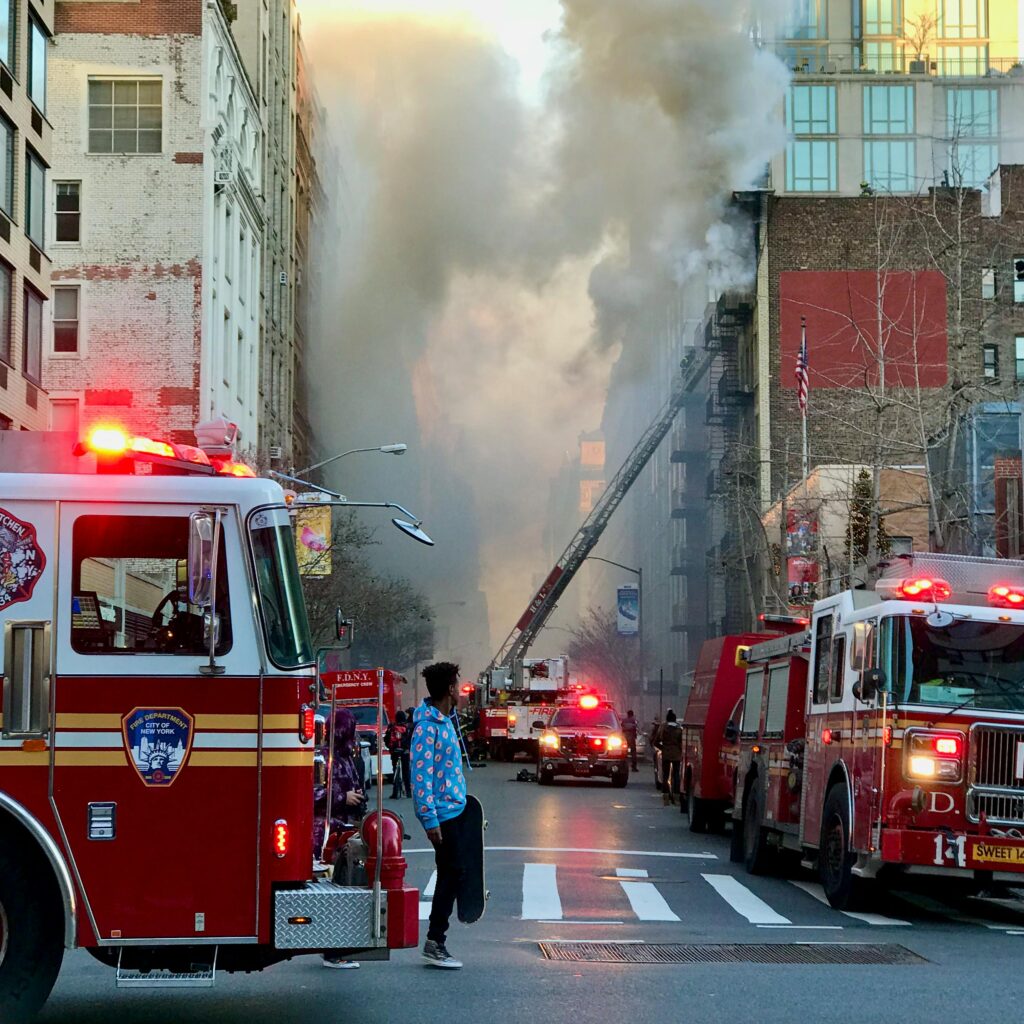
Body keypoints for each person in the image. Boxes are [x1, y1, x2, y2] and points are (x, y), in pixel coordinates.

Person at [412, 662, 469, 969]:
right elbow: (420, 775)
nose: (459, 691)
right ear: (449, 689)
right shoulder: (426, 728)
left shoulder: (445, 722)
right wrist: (429, 819)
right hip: (442, 815)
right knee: (451, 873)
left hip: (455, 810)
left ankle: (436, 940)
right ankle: (435, 942)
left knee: (454, 873)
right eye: (456, 685)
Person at [312, 707, 366, 969]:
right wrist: (344, 798)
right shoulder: (323, 758)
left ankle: (337, 949)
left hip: (344, 832)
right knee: (336, 894)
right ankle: (333, 952)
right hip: (327, 835)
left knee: (345, 888)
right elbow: (311, 795)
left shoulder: (344, 757)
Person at [655, 709, 683, 805]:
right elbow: (681, 743)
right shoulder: (679, 730)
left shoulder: (663, 728)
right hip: (676, 755)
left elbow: (655, 742)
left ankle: (665, 798)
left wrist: (663, 748)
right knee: (676, 776)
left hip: (666, 754)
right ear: (675, 720)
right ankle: (677, 798)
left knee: (665, 776)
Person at [386, 711, 410, 799]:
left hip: (395, 752)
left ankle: (395, 792)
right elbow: (410, 739)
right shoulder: (407, 727)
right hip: (405, 752)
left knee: (395, 769)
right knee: (406, 772)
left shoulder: (392, 727)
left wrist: (390, 748)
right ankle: (408, 792)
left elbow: (386, 738)